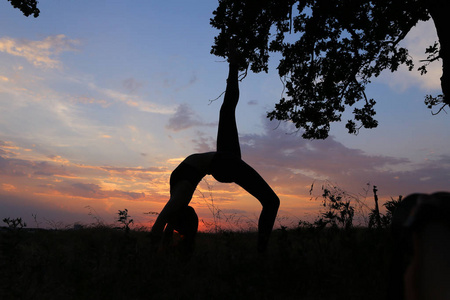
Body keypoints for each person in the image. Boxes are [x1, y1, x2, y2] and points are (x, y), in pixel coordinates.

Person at [151, 43, 280, 254]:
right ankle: (261, 253)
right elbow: (162, 220)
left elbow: (167, 219)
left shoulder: (178, 200)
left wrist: (164, 237)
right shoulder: (180, 196)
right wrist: (156, 242)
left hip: (222, 161)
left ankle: (234, 63)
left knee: (228, 109)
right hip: (222, 163)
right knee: (271, 201)